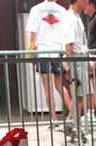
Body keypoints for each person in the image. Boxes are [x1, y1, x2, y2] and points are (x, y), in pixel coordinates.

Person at [26, 0, 72, 128]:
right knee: (59, 86)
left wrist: (30, 54)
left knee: (48, 89)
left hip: (43, 52)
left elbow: (32, 36)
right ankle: (74, 115)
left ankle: (54, 120)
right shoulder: (62, 11)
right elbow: (66, 34)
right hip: (57, 51)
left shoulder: (36, 9)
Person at [62, 0, 90, 139]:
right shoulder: (71, 18)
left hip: (79, 60)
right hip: (76, 61)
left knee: (79, 96)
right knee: (79, 96)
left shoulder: (75, 17)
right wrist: (69, 66)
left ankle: (72, 124)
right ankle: (73, 125)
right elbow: (69, 45)